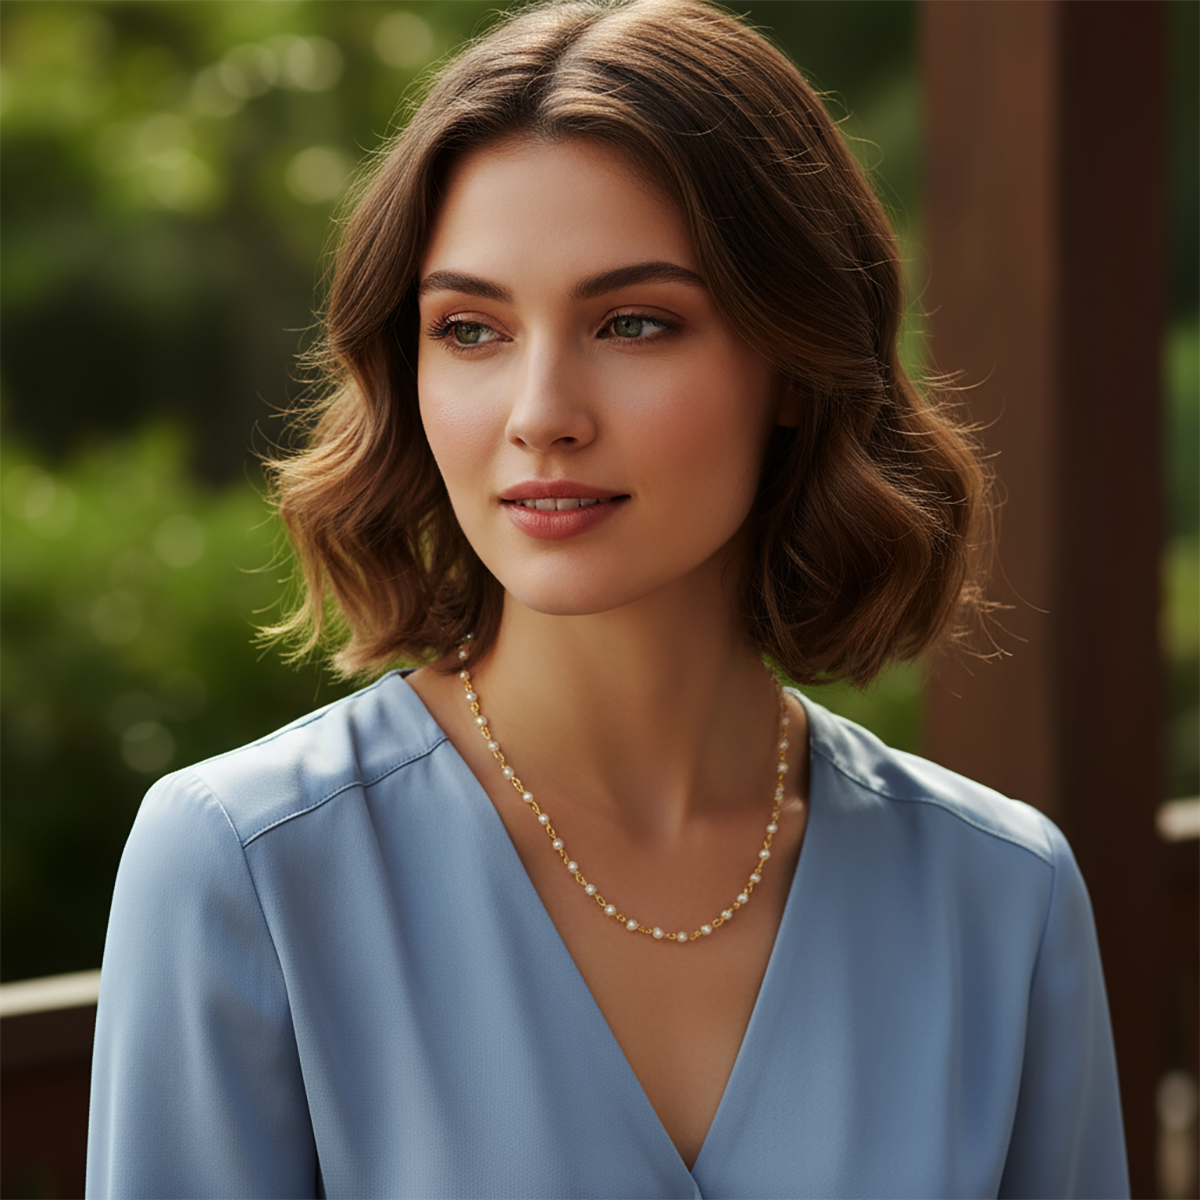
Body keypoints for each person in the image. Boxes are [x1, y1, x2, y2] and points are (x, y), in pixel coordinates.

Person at [86, 0, 1129, 1196]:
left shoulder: (999, 893)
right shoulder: (248, 867)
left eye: (635, 322)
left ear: (794, 364)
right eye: (470, 329)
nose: (541, 411)